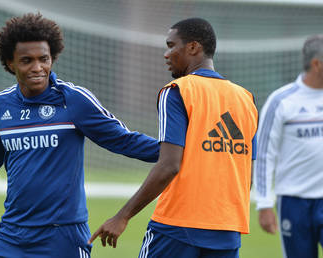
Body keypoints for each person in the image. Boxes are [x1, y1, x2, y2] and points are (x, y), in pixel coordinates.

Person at [0, 13, 159, 258]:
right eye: (26, 60)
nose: (37, 67)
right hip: (12, 233)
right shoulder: (1, 105)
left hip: (63, 236)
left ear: (52, 58)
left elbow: (123, 140)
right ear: (10, 63)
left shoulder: (73, 100)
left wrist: (176, 150)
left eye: (44, 59)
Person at [89, 18, 258, 258]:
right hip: (228, 229)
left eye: (171, 45)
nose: (166, 54)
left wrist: (122, 216)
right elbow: (246, 175)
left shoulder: (178, 91)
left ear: (193, 47)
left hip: (178, 226)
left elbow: (169, 165)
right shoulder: (246, 99)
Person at [254, 34, 323, 258]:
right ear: (317, 64)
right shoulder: (281, 101)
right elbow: (264, 155)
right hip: (293, 203)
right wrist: (264, 203)